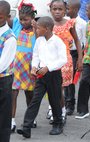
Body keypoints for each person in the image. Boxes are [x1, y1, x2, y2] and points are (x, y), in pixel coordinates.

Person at [17, 16, 67, 138]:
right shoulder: (39, 40)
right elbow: (36, 55)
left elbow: (63, 60)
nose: (36, 30)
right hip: (41, 75)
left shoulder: (57, 41)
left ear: (47, 28)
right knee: (35, 100)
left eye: (38, 28)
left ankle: (58, 124)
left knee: (54, 100)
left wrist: (48, 67)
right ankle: (26, 127)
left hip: (54, 75)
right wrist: (34, 67)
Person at [48, 0, 83, 123]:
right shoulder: (47, 24)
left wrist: (80, 58)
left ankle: (60, 112)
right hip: (50, 60)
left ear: (65, 10)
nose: (57, 11)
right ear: (50, 10)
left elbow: (77, 41)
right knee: (51, 88)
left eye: (60, 9)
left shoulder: (69, 24)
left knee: (59, 89)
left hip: (64, 61)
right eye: (54, 9)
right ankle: (54, 109)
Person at [8, 1, 37, 132]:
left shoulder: (36, 30)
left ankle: (31, 119)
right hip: (15, 67)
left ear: (33, 19)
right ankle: (11, 121)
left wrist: (36, 28)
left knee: (29, 94)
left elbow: (39, 46)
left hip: (29, 68)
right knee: (13, 93)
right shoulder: (16, 25)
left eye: (26, 20)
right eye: (21, 19)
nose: (23, 22)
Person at [65, 0, 87, 115]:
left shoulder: (82, 23)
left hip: (74, 53)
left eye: (68, 8)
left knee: (71, 80)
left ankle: (70, 103)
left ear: (76, 10)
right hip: (64, 52)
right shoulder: (64, 21)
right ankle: (64, 102)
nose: (66, 10)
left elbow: (83, 42)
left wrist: (80, 58)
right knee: (63, 79)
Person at [0, 1, 17, 141]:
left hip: (3, 80)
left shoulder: (9, 37)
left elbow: (3, 64)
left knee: (3, 115)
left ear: (8, 16)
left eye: (0, 17)